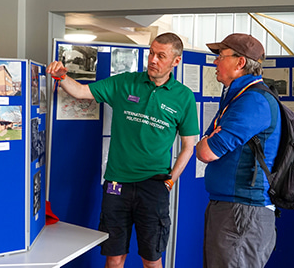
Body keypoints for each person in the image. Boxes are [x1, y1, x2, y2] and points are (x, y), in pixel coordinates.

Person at [47, 32, 199, 268]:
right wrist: (61, 76)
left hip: (154, 186)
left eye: (161, 56)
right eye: (151, 53)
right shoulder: (125, 82)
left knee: (151, 259)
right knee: (115, 258)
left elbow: (189, 146)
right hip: (117, 184)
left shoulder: (184, 97)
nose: (153, 60)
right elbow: (80, 92)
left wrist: (170, 182)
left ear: (176, 61)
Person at [195, 33, 281, 268]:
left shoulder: (253, 101)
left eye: (220, 56)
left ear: (240, 62)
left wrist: (206, 142)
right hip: (231, 209)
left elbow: (206, 152)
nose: (215, 62)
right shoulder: (238, 97)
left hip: (242, 212)